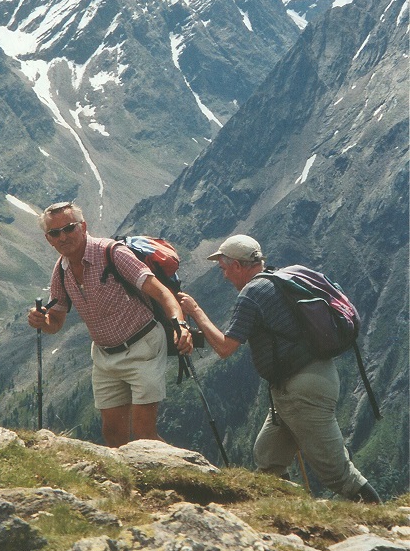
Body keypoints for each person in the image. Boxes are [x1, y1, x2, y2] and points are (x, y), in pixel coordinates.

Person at [177, 233, 381, 502]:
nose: (224, 276)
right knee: (268, 456)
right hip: (312, 379)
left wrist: (195, 310)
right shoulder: (278, 279)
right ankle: (283, 510)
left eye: (224, 269)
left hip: (301, 390)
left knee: (337, 473)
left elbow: (226, 348)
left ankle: (385, 522)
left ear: (238, 266)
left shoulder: (252, 293)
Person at [28, 201, 193, 447]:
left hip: (143, 347)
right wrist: (42, 320)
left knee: (144, 435)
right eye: (55, 233)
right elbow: (56, 322)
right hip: (105, 357)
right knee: (113, 434)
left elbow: (162, 293)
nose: (63, 237)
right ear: (48, 239)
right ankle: (130, 485)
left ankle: (183, 473)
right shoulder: (61, 269)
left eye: (69, 228)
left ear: (83, 227)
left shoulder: (112, 253)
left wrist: (181, 325)